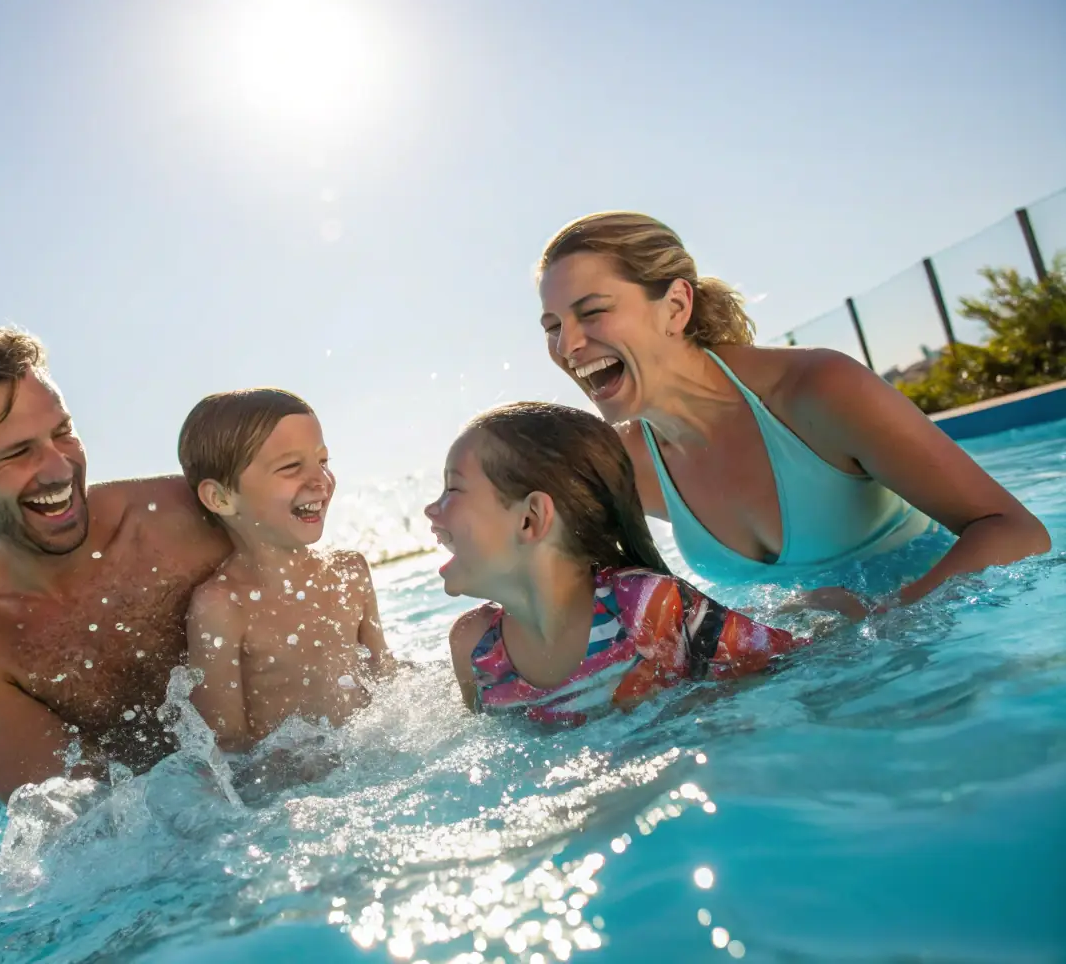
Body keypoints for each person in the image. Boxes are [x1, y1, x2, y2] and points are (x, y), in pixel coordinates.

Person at [535, 211, 1050, 617]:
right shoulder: (629, 466)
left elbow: (1015, 531)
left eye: (592, 311)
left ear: (675, 306)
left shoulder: (817, 391)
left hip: (956, 646)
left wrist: (887, 621)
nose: (569, 344)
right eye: (552, 325)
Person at [0, 328, 230, 801]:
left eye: (62, 432)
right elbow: (88, 829)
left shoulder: (191, 513)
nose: (58, 468)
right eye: (16, 452)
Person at [428, 402, 803, 724]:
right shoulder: (475, 648)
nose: (431, 510)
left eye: (453, 489)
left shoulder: (640, 607)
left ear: (530, 519)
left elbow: (790, 667)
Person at [178, 389, 394, 752]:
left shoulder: (349, 571)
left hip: (369, 755)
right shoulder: (222, 605)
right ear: (221, 498)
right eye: (291, 467)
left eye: (323, 461)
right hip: (292, 790)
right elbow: (224, 743)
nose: (321, 481)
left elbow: (386, 678)